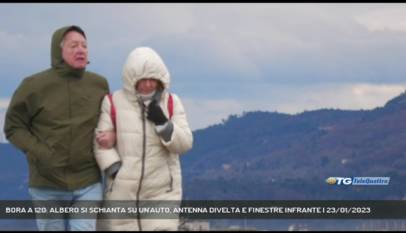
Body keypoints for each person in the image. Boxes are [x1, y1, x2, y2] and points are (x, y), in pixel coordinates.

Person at [3, 25, 110, 231]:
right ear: (58, 51)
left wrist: (111, 134)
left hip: (87, 181)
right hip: (46, 184)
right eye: (73, 46)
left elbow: (108, 119)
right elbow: (13, 127)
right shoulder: (33, 85)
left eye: (84, 45)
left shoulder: (98, 84)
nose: (81, 50)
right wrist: (41, 153)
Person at [94, 47, 193, 231]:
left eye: (152, 79)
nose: (148, 84)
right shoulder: (113, 102)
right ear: (131, 79)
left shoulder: (172, 102)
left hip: (163, 194)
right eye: (142, 80)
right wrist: (116, 171)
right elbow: (100, 143)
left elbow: (185, 143)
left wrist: (163, 123)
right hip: (123, 194)